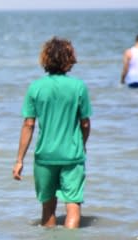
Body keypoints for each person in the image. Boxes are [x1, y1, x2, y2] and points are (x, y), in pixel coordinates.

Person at [13, 37, 92, 229]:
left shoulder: (35, 87)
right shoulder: (79, 87)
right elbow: (85, 123)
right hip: (72, 155)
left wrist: (19, 160)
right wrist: (82, 144)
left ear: (45, 59)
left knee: (48, 208)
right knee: (73, 205)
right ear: (69, 59)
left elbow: (28, 125)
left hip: (45, 156)